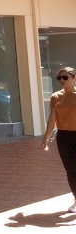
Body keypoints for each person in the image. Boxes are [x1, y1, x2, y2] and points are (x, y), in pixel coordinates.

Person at [42, 66, 76, 212]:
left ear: (74, 78)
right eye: (59, 78)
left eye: (65, 77)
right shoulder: (56, 97)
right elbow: (52, 120)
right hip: (63, 137)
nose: (61, 80)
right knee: (70, 169)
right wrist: (46, 137)